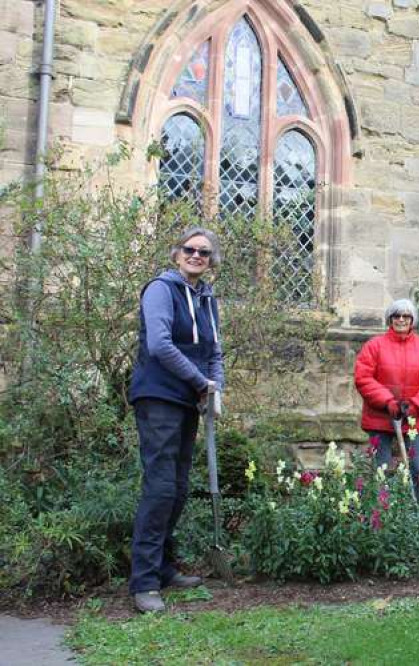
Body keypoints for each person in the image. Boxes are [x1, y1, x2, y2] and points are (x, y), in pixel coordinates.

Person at [128, 227, 224, 613]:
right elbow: (160, 345)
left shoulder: (207, 299)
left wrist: (218, 389)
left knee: (179, 487)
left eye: (204, 252)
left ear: (211, 260)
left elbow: (214, 348)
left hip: (189, 400)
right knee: (161, 486)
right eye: (190, 249)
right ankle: (144, 582)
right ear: (176, 254)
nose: (196, 256)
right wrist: (201, 381)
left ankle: (164, 569)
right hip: (158, 396)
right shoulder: (160, 290)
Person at [354, 298, 419, 501]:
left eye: (406, 316)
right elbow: (363, 378)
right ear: (390, 319)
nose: (401, 319)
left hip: (412, 419)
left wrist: (415, 405)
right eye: (397, 315)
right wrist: (388, 402)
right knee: (381, 471)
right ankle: (382, 516)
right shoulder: (374, 346)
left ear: (412, 320)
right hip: (380, 418)